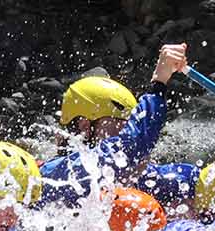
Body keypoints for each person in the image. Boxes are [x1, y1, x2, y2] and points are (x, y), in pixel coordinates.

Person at [40, 44, 192, 207]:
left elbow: (186, 177)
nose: (127, 132)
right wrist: (159, 83)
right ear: (85, 126)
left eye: (130, 126)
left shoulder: (131, 176)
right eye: (121, 127)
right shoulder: (63, 173)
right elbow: (132, 145)